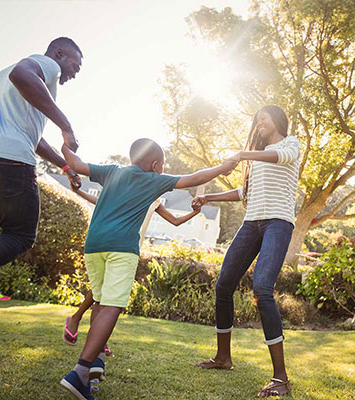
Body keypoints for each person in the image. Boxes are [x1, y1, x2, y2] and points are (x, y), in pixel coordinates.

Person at [59, 138, 238, 400]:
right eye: (162, 165)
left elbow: (74, 163)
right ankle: (80, 371)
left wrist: (66, 144)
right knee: (112, 306)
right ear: (155, 164)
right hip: (122, 248)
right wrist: (222, 168)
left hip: (93, 246)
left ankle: (95, 360)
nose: (163, 169)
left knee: (99, 300)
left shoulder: (111, 171)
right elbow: (193, 177)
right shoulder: (154, 180)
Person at [0, 37, 83, 289]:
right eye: (75, 66)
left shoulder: (11, 76)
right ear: (59, 54)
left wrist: (64, 166)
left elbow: (30, 136)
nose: (74, 73)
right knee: (19, 234)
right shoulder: (47, 65)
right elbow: (21, 75)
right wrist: (66, 127)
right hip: (5, 160)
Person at [192, 105, 300, 398]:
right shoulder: (257, 159)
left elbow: (280, 157)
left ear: (277, 120)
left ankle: (281, 378)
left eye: (263, 118)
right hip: (251, 223)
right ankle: (223, 359)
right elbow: (244, 193)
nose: (259, 123)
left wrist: (242, 154)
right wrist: (208, 197)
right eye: (256, 121)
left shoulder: (290, 144)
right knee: (223, 284)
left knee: (262, 288)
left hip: (278, 222)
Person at [63, 187, 201, 350]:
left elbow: (175, 221)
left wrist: (195, 212)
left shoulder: (155, 201)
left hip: (130, 249)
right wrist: (79, 192)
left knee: (103, 292)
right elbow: (101, 203)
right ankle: (95, 340)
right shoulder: (128, 191)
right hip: (112, 242)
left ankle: (80, 322)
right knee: (102, 294)